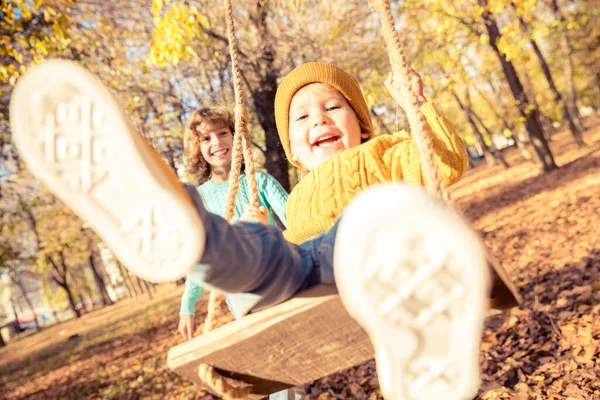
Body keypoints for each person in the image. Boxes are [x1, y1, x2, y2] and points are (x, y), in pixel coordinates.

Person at [11, 60, 517, 400]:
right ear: (293, 149)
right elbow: (290, 245)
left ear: (362, 123)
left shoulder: (387, 151)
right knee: (261, 252)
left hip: (379, 245)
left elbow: (446, 161)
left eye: (333, 107)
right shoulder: (297, 194)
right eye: (301, 116)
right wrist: (262, 234)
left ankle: (421, 345)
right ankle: (188, 231)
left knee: (381, 212)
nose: (318, 118)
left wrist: (417, 106)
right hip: (309, 270)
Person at [178, 107, 288, 339]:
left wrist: (266, 225)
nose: (216, 142)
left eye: (223, 133)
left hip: (279, 276)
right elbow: (200, 254)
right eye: (206, 138)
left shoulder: (261, 182)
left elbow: (297, 220)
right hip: (242, 297)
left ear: (236, 136)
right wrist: (187, 305)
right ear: (197, 149)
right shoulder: (201, 199)